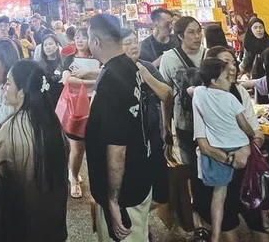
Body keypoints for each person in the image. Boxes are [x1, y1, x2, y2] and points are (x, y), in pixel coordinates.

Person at [86, 13, 153, 242]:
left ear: (96, 41)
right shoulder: (129, 66)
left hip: (125, 191)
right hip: (140, 175)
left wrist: (113, 200)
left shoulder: (111, 79)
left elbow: (117, 147)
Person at [0, 60, 69, 241]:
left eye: (8, 83)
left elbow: (2, 187)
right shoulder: (53, 124)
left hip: (20, 226)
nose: (4, 88)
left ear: (22, 91)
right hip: (52, 223)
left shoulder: (10, 128)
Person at [193, 57, 261, 242]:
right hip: (238, 146)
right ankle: (262, 219)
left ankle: (215, 234)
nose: (230, 79)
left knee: (219, 194)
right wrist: (251, 135)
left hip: (216, 150)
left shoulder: (199, 92)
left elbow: (191, 89)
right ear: (215, 80)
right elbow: (244, 124)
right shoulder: (230, 97)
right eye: (225, 76)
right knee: (251, 184)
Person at [122, 29, 171, 205]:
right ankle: (139, 226)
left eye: (135, 41)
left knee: (162, 193)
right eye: (128, 42)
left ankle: (140, 220)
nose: (134, 45)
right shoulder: (112, 71)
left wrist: (165, 128)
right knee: (133, 191)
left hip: (153, 137)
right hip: (127, 143)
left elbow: (167, 95)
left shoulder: (147, 67)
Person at [159, 16, 207, 163]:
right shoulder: (168, 58)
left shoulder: (209, 55)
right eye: (191, 33)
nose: (197, 36)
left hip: (210, 122)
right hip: (184, 123)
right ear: (180, 36)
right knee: (191, 166)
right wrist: (166, 126)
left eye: (199, 31)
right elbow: (166, 95)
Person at [62, 25, 101, 198]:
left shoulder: (98, 58)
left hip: (97, 104)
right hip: (76, 107)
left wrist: (85, 73)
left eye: (84, 37)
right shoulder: (69, 59)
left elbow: (105, 72)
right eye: (77, 37)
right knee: (77, 147)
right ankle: (74, 177)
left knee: (96, 145)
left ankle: (97, 181)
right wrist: (92, 82)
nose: (79, 40)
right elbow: (66, 80)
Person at [35, 30, 65, 107]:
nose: (48, 47)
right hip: (45, 103)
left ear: (57, 45)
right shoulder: (38, 65)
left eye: (50, 44)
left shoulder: (64, 63)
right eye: (45, 45)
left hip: (62, 102)